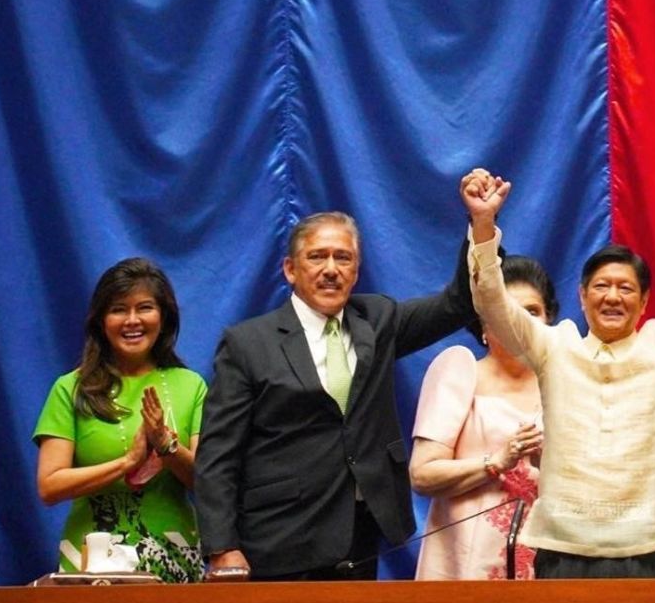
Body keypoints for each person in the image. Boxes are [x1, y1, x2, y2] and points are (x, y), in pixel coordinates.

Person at [460, 168, 655, 579]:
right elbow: (493, 305)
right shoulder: (554, 346)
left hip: (641, 548)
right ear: (582, 296)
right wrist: (483, 225)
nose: (612, 296)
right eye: (601, 286)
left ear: (644, 302)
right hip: (561, 545)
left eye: (625, 288)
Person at [195, 198, 481, 581]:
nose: (331, 269)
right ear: (290, 270)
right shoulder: (247, 343)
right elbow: (218, 455)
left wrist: (481, 223)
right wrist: (221, 547)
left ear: (356, 271)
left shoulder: (377, 320)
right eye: (317, 257)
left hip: (358, 537)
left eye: (343, 258)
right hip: (279, 540)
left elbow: (458, 304)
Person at [33, 258, 207, 582]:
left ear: (163, 317)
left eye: (144, 308)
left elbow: (209, 483)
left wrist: (167, 446)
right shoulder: (70, 388)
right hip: (92, 561)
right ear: (100, 320)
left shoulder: (191, 385)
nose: (132, 320)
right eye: (118, 310)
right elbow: (49, 485)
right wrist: (128, 462)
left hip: (172, 557)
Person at [408, 255, 555, 580]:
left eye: (532, 311)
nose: (520, 321)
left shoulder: (563, 383)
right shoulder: (460, 371)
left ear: (548, 321)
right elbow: (422, 475)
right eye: (506, 310)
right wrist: (496, 462)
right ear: (484, 326)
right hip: (467, 560)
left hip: (547, 558)